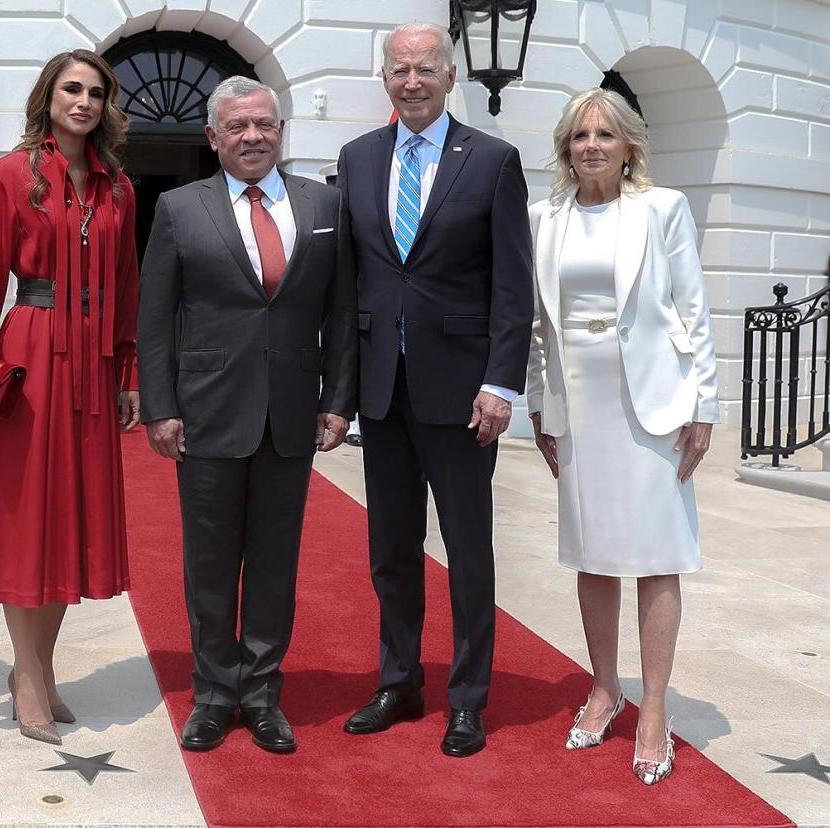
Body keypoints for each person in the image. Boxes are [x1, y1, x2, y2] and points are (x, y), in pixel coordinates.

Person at [137, 76, 356, 754]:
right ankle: (212, 695)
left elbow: (341, 312)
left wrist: (338, 400)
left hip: (291, 413)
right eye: (237, 126)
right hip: (206, 414)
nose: (253, 136)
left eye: (263, 123)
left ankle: (261, 694)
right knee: (208, 563)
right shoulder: (178, 208)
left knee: (272, 563)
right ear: (213, 137)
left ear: (281, 129)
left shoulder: (326, 205)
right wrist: (162, 406)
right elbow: (155, 318)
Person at [335, 22, 533, 757]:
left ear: (450, 77)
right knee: (390, 548)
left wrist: (499, 383)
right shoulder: (356, 159)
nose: (411, 81)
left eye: (424, 69)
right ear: (383, 78)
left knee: (468, 552)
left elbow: (514, 287)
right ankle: (399, 680)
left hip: (461, 395)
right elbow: (351, 281)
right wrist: (343, 390)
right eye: (399, 70)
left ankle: (469, 698)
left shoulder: (492, 161)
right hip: (382, 391)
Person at [526, 88, 718, 785]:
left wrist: (705, 405)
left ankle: (655, 709)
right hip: (579, 404)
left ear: (629, 144)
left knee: (657, 555)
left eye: (605, 134)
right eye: (579, 136)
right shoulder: (541, 218)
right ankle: (605, 688)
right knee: (594, 553)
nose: (592, 146)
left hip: (654, 403)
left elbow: (692, 310)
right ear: (565, 147)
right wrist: (538, 407)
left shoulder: (661, 209)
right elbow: (536, 326)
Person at [0, 50, 140, 746]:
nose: (83, 101)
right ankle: (27, 675)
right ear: (48, 97)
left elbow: (128, 288)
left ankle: (41, 665)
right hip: (31, 354)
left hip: (94, 362)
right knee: (26, 520)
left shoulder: (118, 188)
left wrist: (130, 374)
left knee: (75, 520)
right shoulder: (12, 175)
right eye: (71, 89)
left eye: (95, 92)